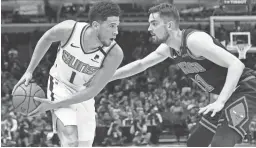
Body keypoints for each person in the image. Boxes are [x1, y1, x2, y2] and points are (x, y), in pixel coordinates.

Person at [111, 3, 256, 147]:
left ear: (169, 25)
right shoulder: (169, 49)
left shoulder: (194, 41)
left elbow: (237, 65)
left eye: (154, 23)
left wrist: (220, 101)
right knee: (195, 142)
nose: (149, 28)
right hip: (229, 94)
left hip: (245, 88)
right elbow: (141, 64)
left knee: (221, 143)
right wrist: (107, 77)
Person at [12, 1, 123, 147]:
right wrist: (29, 71)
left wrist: (53, 105)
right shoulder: (70, 29)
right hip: (60, 85)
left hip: (84, 95)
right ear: (96, 25)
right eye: (112, 26)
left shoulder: (114, 54)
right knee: (70, 141)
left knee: (84, 144)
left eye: (117, 26)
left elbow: (92, 91)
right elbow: (46, 38)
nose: (116, 31)